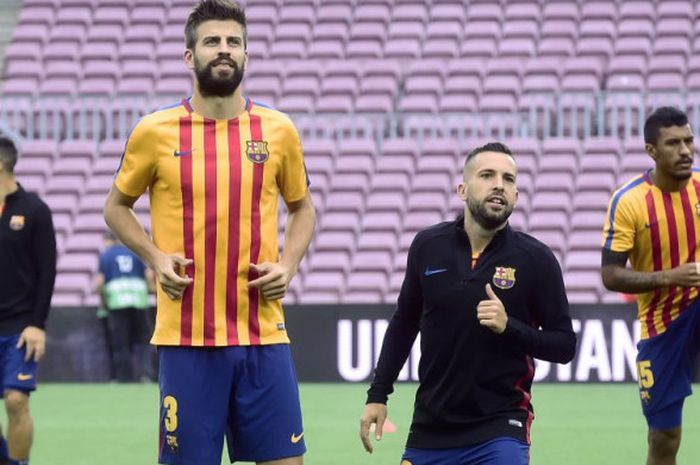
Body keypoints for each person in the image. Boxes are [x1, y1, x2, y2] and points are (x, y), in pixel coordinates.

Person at [103, 1, 316, 464]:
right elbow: (116, 208)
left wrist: (289, 264)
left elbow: (302, 208)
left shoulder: (278, 130)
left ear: (246, 54)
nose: (224, 50)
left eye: (234, 42)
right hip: (187, 338)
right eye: (212, 41)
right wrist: (156, 258)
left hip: (263, 334)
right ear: (189, 56)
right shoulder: (153, 131)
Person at [360, 142, 576, 465]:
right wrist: (378, 395)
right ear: (462, 189)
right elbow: (405, 322)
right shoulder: (427, 246)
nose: (499, 185)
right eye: (487, 175)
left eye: (509, 179)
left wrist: (509, 327)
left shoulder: (537, 260)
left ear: (516, 196)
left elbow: (564, 345)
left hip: (501, 427)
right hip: (430, 429)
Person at [601, 106, 699, 465]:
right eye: (673, 143)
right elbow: (610, 275)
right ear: (651, 151)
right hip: (663, 323)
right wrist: (669, 277)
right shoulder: (629, 201)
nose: (686, 150)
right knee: (664, 437)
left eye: (689, 140)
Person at [0, 135, 57, 465]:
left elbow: (47, 272)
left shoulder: (35, 210)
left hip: (21, 328)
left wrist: (38, 324)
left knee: (16, 400)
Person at [95, 231, 152, 382]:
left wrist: (104, 301)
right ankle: (145, 375)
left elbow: (99, 283)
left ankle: (124, 378)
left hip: (116, 302)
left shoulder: (105, 255)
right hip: (139, 300)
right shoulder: (136, 253)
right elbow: (148, 276)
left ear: (110, 240)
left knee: (121, 342)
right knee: (143, 340)